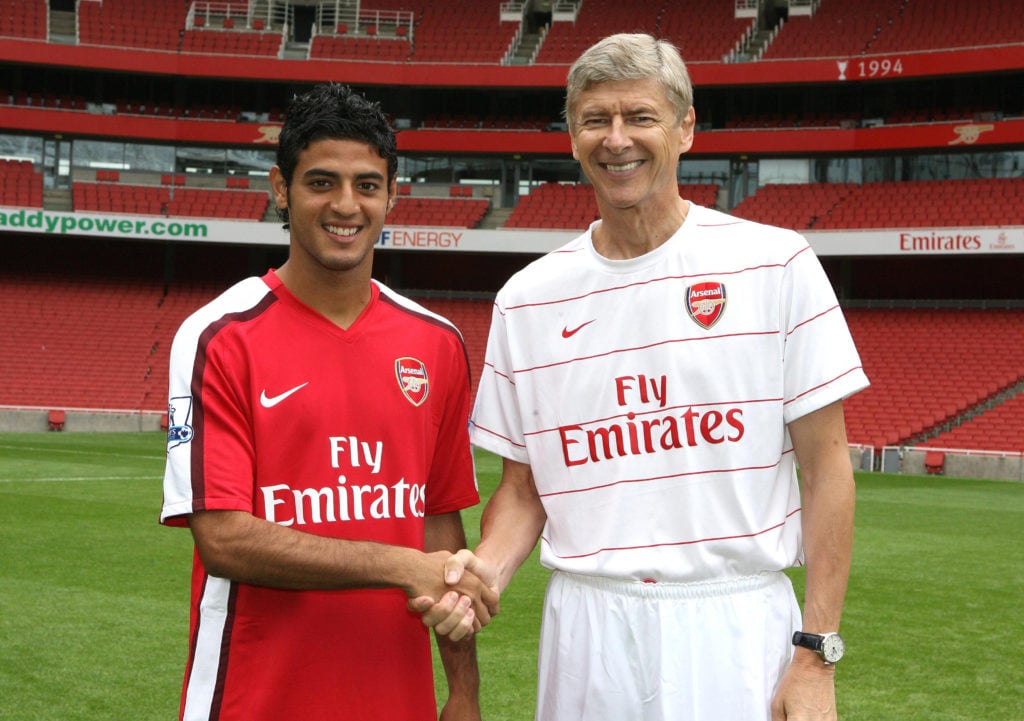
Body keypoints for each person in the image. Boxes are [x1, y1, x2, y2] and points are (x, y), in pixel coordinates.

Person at [432, 33, 869, 721]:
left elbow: (826, 468)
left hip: (733, 616)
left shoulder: (775, 263)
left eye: (639, 116)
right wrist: (484, 570)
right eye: (594, 120)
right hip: (587, 625)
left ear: (685, 127)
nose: (616, 139)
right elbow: (524, 487)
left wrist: (815, 652)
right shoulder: (528, 297)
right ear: (572, 136)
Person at [160, 82, 496, 721]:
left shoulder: (438, 344)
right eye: (321, 182)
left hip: (397, 698)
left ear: (392, 196)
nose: (346, 205)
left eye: (367, 185)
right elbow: (224, 540)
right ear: (281, 189)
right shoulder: (219, 336)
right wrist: (401, 565)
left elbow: (440, 532)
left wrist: (464, 692)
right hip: (254, 697)